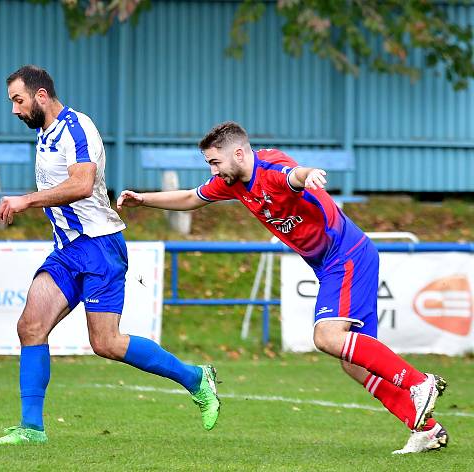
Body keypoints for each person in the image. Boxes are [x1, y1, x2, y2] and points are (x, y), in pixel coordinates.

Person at [117, 121, 449, 454]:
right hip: (333, 263)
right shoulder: (232, 183)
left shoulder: (271, 167)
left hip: (345, 256)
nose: (213, 169)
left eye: (215, 162)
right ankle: (427, 429)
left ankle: (420, 382)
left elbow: (295, 175)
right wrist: (143, 199)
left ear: (238, 152)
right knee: (354, 362)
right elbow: (191, 196)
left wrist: (310, 175)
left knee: (326, 337)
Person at [0, 65, 220, 446]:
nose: (14, 109)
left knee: (106, 343)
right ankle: (32, 429)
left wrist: (26, 200)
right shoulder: (46, 133)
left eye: (18, 100)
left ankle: (196, 378)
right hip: (67, 250)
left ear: (41, 96)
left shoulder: (77, 128)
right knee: (30, 326)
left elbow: (81, 184)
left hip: (99, 247)